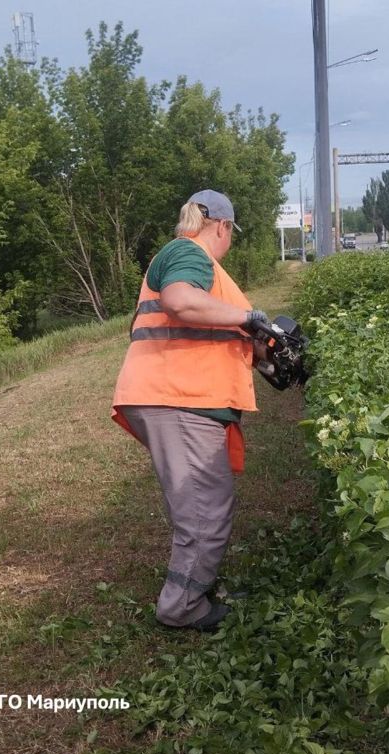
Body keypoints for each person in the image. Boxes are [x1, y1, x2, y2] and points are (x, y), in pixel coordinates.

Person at [111, 190, 268, 632]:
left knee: (203, 504)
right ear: (222, 226)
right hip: (179, 396)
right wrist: (249, 316)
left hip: (179, 395)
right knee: (205, 510)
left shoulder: (194, 263)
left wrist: (253, 340)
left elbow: (187, 320)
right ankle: (182, 606)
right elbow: (179, 300)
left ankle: (199, 587)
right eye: (231, 234)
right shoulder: (188, 252)